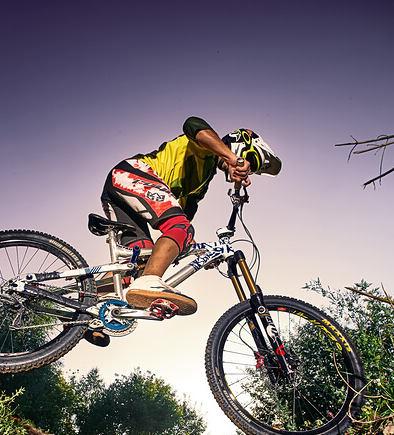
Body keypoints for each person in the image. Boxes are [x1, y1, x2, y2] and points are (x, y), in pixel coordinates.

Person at [100, 116, 281, 316]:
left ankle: (89, 306)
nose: (246, 169)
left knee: (137, 262)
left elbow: (185, 214)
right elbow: (193, 124)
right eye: (250, 161)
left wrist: (197, 249)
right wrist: (231, 157)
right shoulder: (206, 148)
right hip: (132, 174)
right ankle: (149, 281)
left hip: (119, 189)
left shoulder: (202, 182)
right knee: (180, 230)